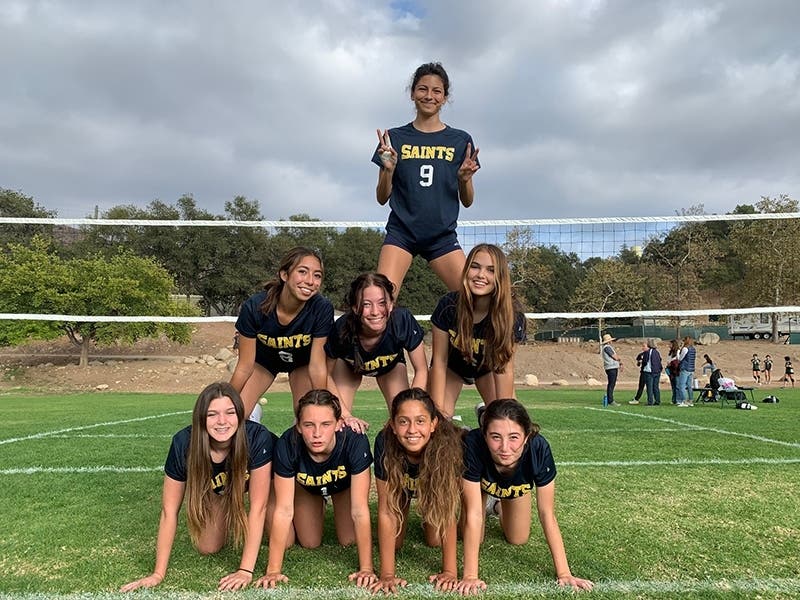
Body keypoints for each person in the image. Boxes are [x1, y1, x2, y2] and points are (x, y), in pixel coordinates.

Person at [120, 382, 273, 592]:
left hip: (266, 482)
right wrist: (158, 573)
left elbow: (258, 507)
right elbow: (169, 511)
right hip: (223, 486)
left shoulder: (257, 437)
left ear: (239, 415)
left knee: (292, 539)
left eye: (230, 413)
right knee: (207, 546)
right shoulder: (184, 443)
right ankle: (224, 498)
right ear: (201, 417)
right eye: (212, 414)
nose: (221, 421)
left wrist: (245, 570)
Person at [460, 399, 593, 594]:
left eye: (514, 437)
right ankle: (488, 499)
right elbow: (473, 514)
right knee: (473, 536)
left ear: (526, 436)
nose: (505, 448)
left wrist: (564, 572)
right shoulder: (473, 444)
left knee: (518, 538)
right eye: (495, 437)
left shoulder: (539, 448)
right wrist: (470, 576)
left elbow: (547, 513)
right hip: (480, 484)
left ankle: (495, 506)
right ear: (484, 435)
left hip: (515, 487)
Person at [373, 61, 480, 296]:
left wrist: (464, 179)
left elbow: (468, 201)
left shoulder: (460, 140)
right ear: (412, 93)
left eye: (436, 91)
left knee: (472, 299)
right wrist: (389, 170)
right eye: (422, 89)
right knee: (381, 298)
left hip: (441, 237)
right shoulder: (394, 138)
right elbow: (382, 198)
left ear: (444, 97)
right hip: (402, 233)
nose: (429, 96)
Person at [256, 390, 375, 589]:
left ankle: (327, 500)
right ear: (299, 426)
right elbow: (284, 511)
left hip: (342, 487)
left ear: (339, 424)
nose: (317, 433)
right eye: (309, 425)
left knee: (349, 540)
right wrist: (273, 570)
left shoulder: (354, 441)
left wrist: (367, 568)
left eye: (326, 424)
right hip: (306, 487)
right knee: (308, 541)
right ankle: (309, 501)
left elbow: (360, 510)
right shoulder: (288, 444)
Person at [371, 388, 464, 594]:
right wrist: (387, 574)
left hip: (434, 488)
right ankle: (419, 506)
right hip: (403, 486)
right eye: (403, 422)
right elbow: (386, 510)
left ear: (433, 424)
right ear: (393, 426)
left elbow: (447, 508)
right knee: (393, 543)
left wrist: (449, 571)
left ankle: (487, 503)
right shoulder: (384, 442)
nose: (412, 429)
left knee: (434, 540)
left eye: (420, 421)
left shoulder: (445, 446)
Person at [230, 247, 333, 421]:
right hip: (264, 362)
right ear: (284, 275)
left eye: (317, 275)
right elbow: (244, 366)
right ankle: (252, 411)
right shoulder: (254, 306)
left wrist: (322, 405)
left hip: (302, 363)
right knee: (235, 415)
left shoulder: (322, 308)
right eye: (302, 272)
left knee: (306, 415)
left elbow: (317, 366)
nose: (310, 281)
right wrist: (226, 401)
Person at [429, 243, 526, 419]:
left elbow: (504, 368)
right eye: (475, 267)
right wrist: (435, 414)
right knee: (439, 418)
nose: (481, 275)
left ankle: (485, 415)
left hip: (487, 367)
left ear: (500, 277)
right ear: (466, 269)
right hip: (453, 366)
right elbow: (439, 362)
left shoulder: (511, 315)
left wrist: (503, 417)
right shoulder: (449, 306)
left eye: (491, 270)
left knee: (506, 418)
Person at [325, 272, 427, 432]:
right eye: (366, 304)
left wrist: (409, 409)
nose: (375, 311)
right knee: (338, 422)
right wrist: (345, 414)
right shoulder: (342, 330)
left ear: (391, 304)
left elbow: (421, 370)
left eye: (382, 303)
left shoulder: (402, 321)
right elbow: (325, 374)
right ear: (354, 307)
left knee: (403, 421)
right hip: (349, 367)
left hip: (390, 368)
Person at [600, 333, 621, 407]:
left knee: (611, 384)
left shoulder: (606, 347)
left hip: (610, 367)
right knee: (611, 384)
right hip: (611, 367)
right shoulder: (607, 347)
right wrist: (619, 359)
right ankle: (611, 400)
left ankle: (610, 399)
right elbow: (614, 357)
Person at [676, 336, 696, 407]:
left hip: (685, 368)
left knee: (682, 386)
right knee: (689, 386)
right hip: (691, 369)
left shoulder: (685, 348)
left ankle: (684, 401)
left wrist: (678, 351)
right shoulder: (693, 349)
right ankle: (690, 401)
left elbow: (680, 358)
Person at [641, 338, 662, 406]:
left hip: (650, 372)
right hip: (657, 371)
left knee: (649, 387)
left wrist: (643, 367)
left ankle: (650, 401)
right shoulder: (657, 352)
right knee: (656, 387)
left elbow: (645, 361)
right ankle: (657, 400)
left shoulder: (648, 352)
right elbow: (660, 360)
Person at [666, 339, 681, 404]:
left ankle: (678, 399)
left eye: (670, 344)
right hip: (671, 370)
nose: (669, 345)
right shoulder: (670, 352)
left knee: (677, 385)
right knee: (673, 386)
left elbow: (679, 360)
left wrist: (672, 363)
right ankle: (674, 399)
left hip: (676, 371)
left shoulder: (678, 351)